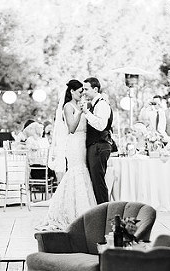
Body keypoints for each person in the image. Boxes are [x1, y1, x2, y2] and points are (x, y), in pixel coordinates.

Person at [38, 79, 97, 230]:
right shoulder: (68, 107)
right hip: (74, 143)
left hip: (84, 142)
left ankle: (85, 210)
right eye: (79, 92)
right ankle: (70, 212)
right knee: (76, 172)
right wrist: (81, 112)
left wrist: (86, 110)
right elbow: (71, 128)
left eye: (83, 91)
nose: (82, 94)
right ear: (72, 91)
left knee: (84, 173)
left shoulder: (82, 105)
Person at [81, 76, 115, 204]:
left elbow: (101, 126)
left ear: (95, 89)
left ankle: (104, 211)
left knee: (98, 182)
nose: (84, 92)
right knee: (96, 182)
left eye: (86, 89)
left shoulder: (101, 104)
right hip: (95, 145)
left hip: (99, 146)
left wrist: (86, 113)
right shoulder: (95, 104)